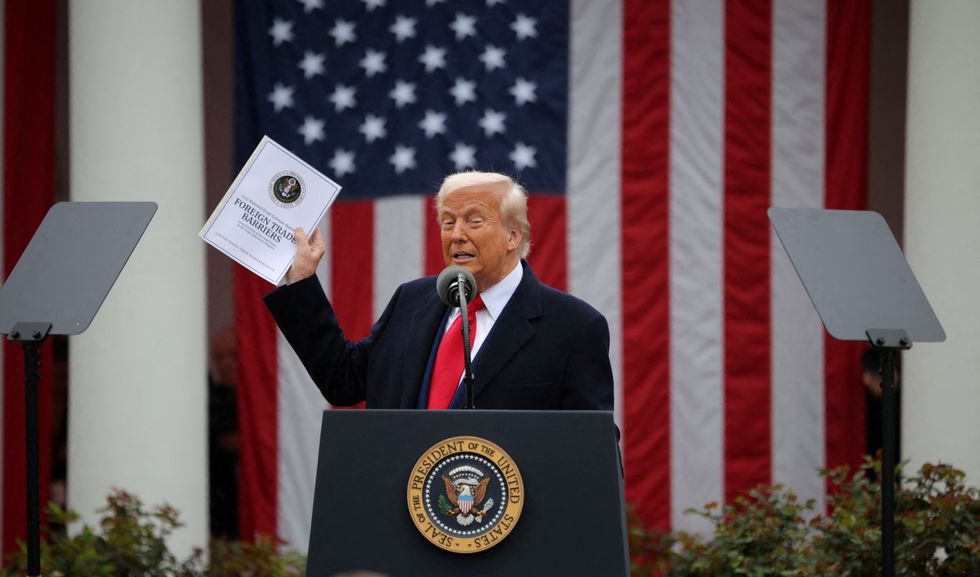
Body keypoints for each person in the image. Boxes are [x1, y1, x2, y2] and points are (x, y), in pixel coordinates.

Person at [264, 171, 614, 411]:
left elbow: (590, 446)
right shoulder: (411, 302)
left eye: (474, 221)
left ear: (513, 236)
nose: (457, 234)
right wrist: (302, 281)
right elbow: (343, 380)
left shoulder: (573, 327)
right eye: (448, 221)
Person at [208, 326, 240, 539]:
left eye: (233, 356)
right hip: (222, 508)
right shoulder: (211, 400)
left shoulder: (266, 401)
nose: (225, 364)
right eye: (219, 358)